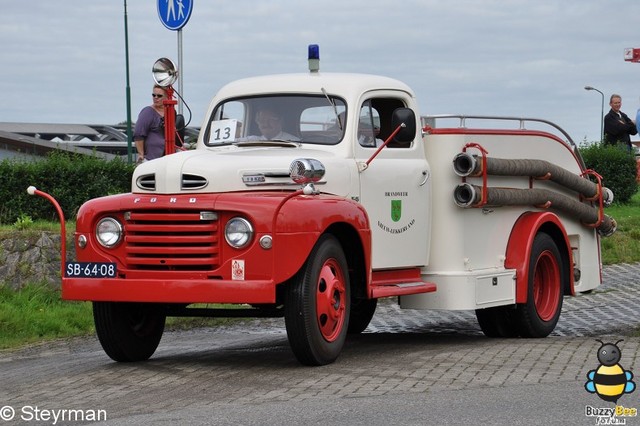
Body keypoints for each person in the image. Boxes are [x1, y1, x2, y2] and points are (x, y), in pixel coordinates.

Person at [134, 85, 167, 163]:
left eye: (159, 96)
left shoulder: (171, 113)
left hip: (166, 159)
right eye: (153, 95)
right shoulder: (147, 112)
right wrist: (141, 154)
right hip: (150, 160)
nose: (155, 97)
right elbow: (138, 134)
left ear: (167, 97)